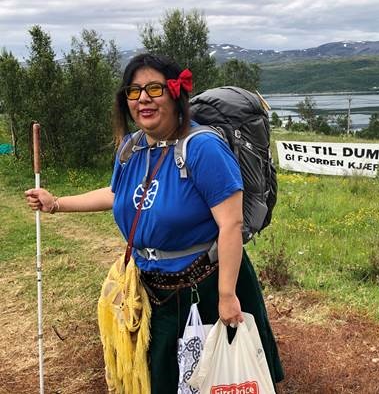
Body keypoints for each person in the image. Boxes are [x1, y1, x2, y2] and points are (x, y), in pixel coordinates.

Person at [25, 53, 284, 393]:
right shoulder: (132, 148)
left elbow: (231, 225)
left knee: (223, 376)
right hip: (154, 291)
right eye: (134, 91)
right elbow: (118, 194)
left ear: (176, 94)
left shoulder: (203, 148)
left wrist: (226, 295)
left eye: (154, 88)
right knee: (166, 379)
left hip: (206, 286)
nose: (143, 98)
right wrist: (57, 204)